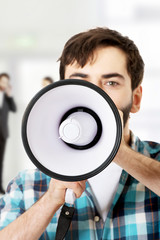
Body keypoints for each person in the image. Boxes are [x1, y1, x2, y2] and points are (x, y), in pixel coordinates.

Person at [0, 27, 160, 240]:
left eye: (111, 82)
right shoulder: (28, 185)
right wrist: (50, 202)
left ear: (136, 99)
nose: (94, 94)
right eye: (81, 81)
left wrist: (117, 151)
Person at [0, 73, 17, 194]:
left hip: (2, 133)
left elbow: (14, 109)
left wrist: (10, 96)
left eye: (6, 82)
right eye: (2, 81)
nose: (4, 84)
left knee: (0, 161)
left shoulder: (6, 98)